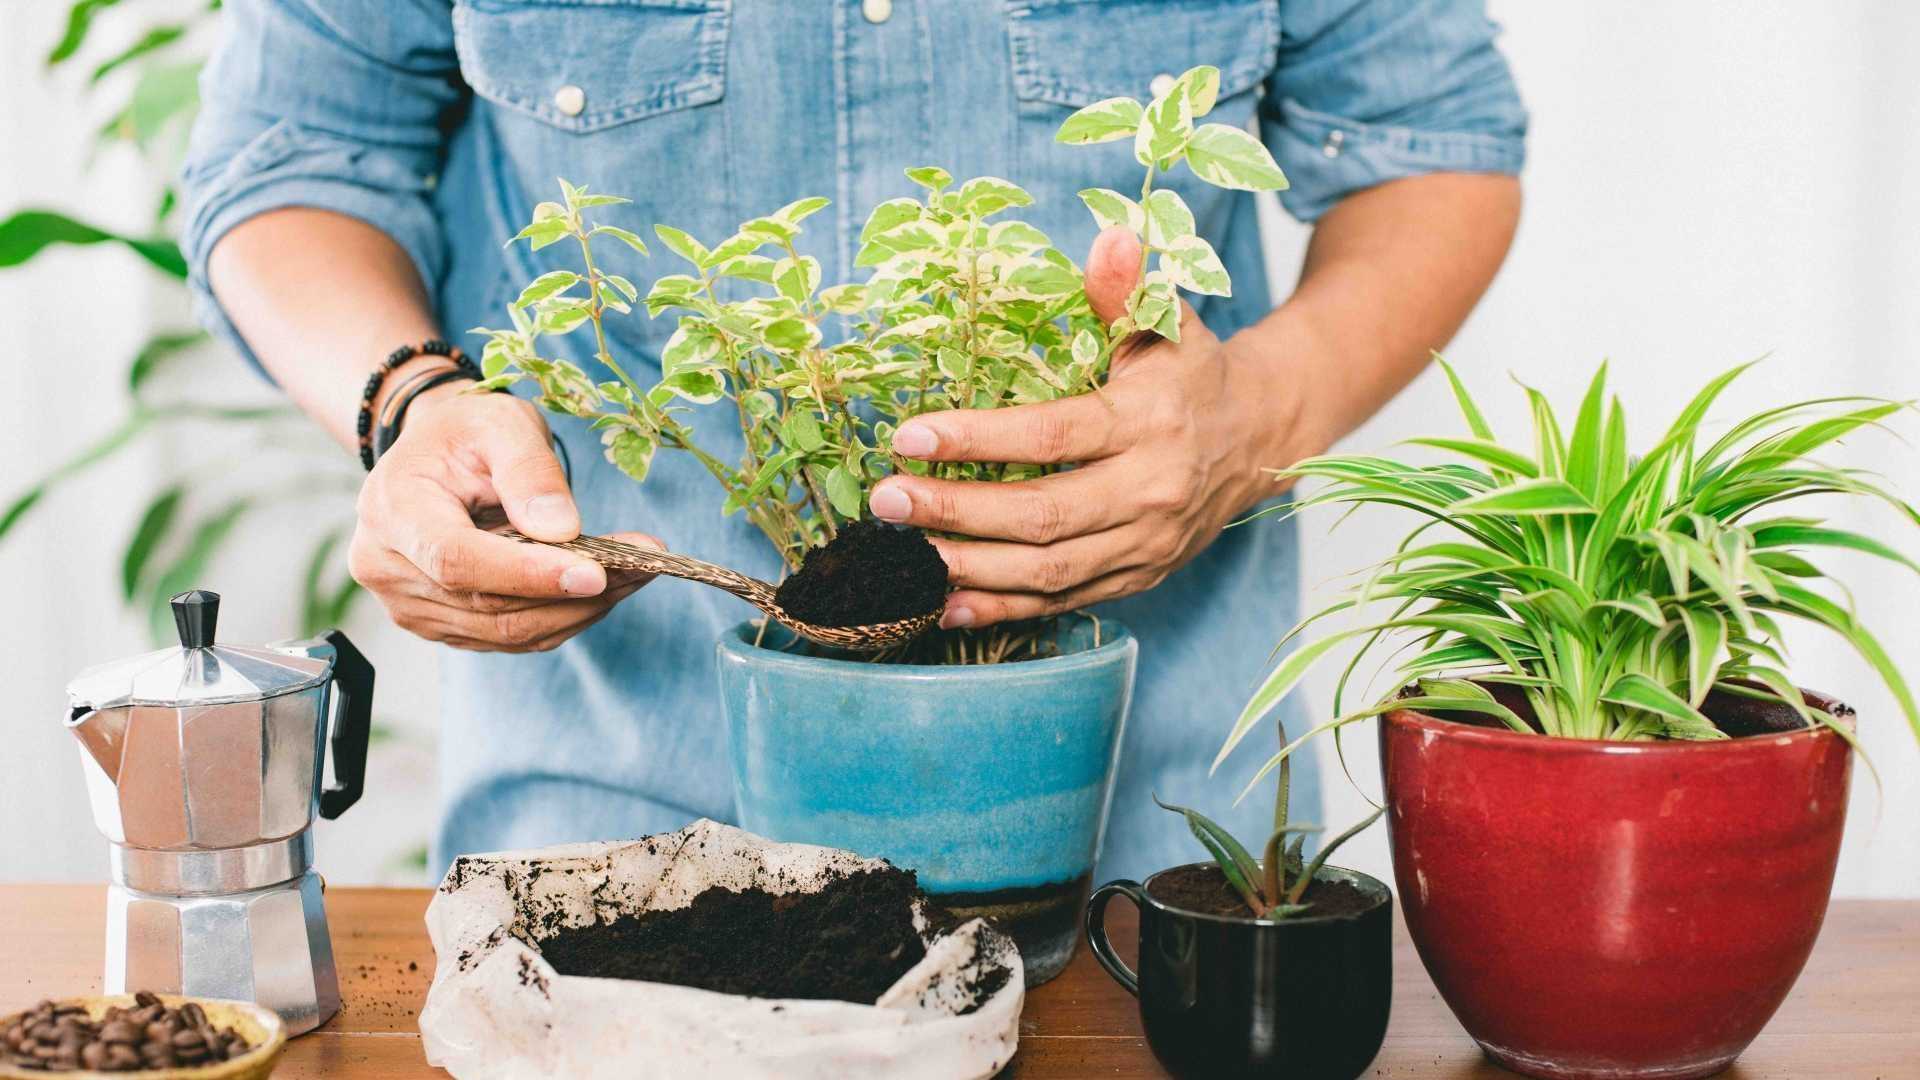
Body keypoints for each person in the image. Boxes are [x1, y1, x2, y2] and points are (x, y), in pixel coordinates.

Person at [181, 0, 1525, 882]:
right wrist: (412, 402)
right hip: (619, 842)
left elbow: (1432, 140)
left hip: (1150, 849)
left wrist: (1258, 418)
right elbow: (291, 155)